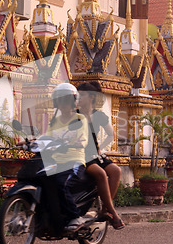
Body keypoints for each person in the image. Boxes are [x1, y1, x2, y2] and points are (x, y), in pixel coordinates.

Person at [77, 82, 124, 230]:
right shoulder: (74, 114)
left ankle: (105, 209)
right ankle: (114, 213)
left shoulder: (99, 115)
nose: (78, 97)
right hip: (81, 154)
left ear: (91, 97)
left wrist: (100, 149)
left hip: (94, 153)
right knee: (101, 174)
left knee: (116, 171)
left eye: (82, 94)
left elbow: (111, 135)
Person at [44, 83, 89, 231]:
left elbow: (82, 140)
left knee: (62, 183)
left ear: (72, 102)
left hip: (74, 160)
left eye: (66, 100)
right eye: (60, 100)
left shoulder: (79, 119)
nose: (63, 104)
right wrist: (29, 142)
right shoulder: (54, 121)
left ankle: (75, 216)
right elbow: (47, 137)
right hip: (56, 161)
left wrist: (70, 143)